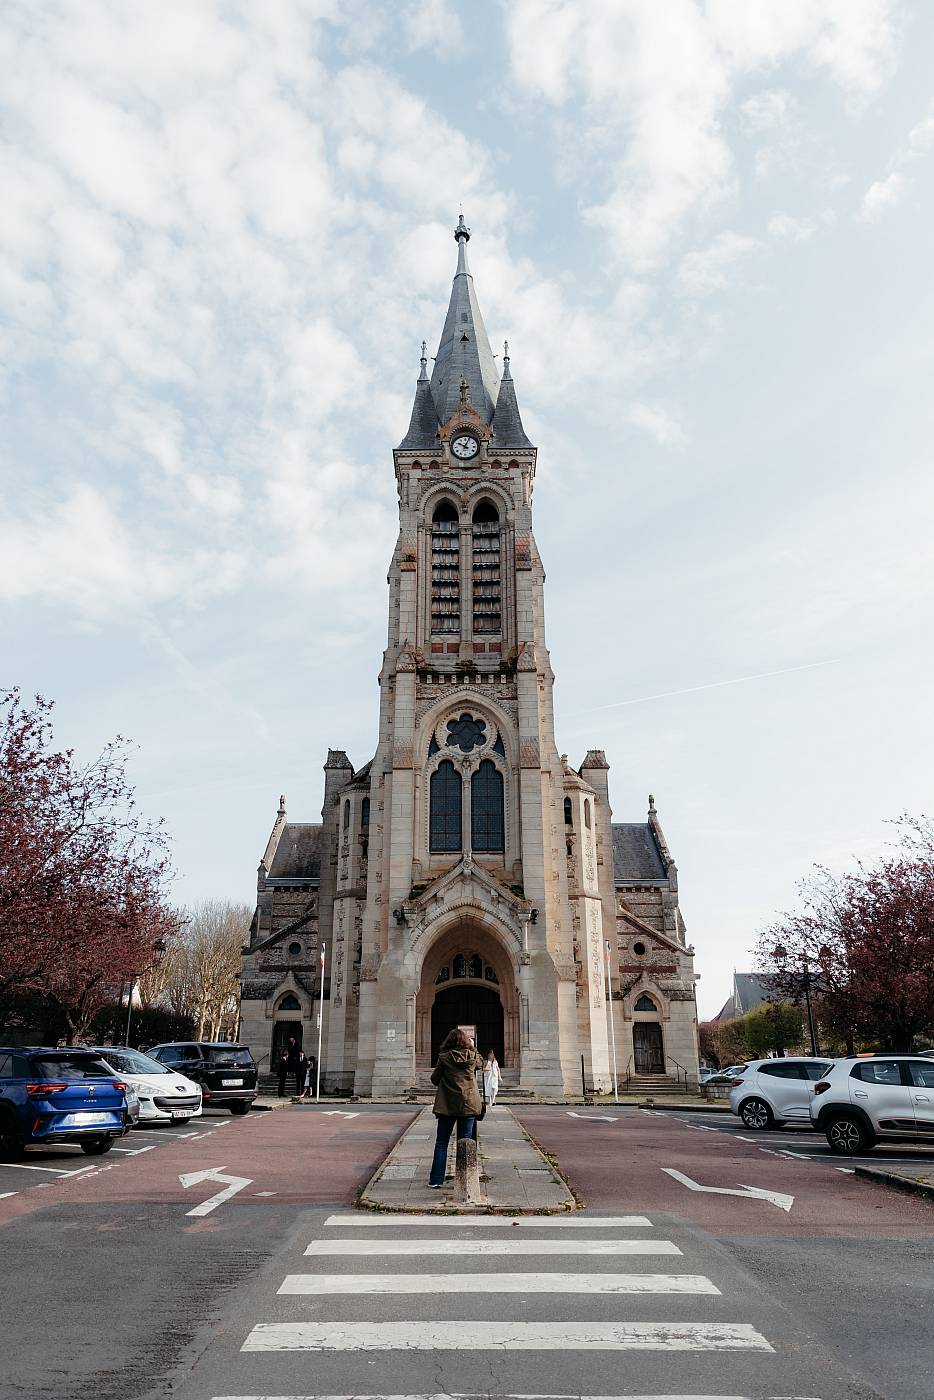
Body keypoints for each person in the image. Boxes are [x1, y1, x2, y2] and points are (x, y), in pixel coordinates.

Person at [428, 1027, 484, 1188]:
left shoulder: (444, 1058)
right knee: (465, 1141)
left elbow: (434, 1079)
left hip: (447, 1105)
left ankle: (436, 1180)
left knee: (441, 1143)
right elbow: (482, 1063)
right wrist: (472, 1046)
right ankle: (465, 1179)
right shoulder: (473, 1056)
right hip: (469, 1104)